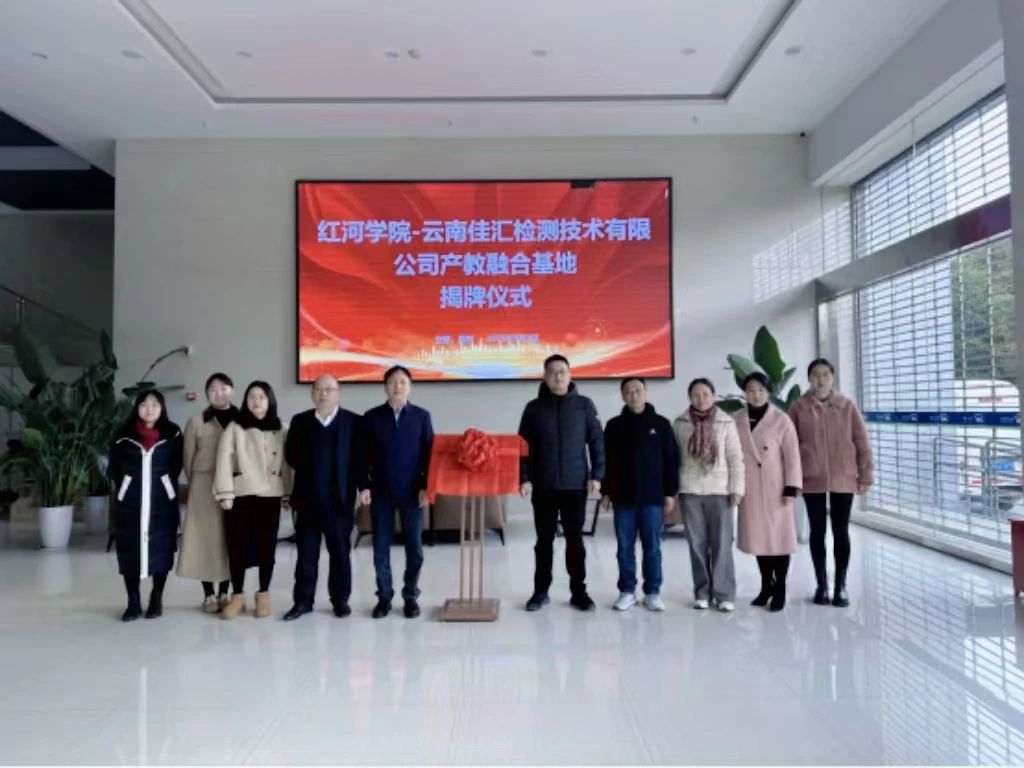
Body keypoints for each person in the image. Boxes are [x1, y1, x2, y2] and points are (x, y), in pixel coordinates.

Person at [518, 354, 605, 612]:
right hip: (543, 485)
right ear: (544, 377)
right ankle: (540, 592)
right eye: (552, 372)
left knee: (574, 541)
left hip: (575, 485)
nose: (558, 376)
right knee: (543, 541)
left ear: (570, 375)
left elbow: (597, 441)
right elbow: (522, 448)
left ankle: (579, 592)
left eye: (562, 371)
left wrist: (597, 475)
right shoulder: (533, 408)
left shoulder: (584, 406)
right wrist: (524, 478)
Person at [788, 358, 874, 607]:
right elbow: (789, 445)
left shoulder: (847, 406)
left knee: (840, 531)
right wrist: (792, 479)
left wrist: (866, 474)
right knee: (817, 532)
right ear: (809, 378)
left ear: (832, 377)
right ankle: (822, 585)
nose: (821, 379)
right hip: (811, 477)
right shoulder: (799, 407)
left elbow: (862, 441)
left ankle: (841, 586)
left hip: (843, 475)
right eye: (816, 374)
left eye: (825, 374)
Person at [282, 374, 367, 621]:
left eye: (329, 389)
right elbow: (291, 456)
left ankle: (340, 600)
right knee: (306, 555)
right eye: (319, 389)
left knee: (340, 553)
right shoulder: (300, 421)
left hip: (340, 501)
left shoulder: (353, 422)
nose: (324, 393)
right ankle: (303, 601)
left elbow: (360, 460)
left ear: (339, 393)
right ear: (312, 394)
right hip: (307, 501)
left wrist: (364, 487)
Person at [213, 381, 290, 619]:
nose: (256, 401)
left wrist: (287, 492)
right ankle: (237, 596)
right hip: (241, 494)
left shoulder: (281, 428)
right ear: (246, 401)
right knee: (237, 545)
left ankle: (263, 594)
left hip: (271, 493)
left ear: (270, 400)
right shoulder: (236, 427)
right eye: (251, 397)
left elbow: (287, 463)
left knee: (267, 546)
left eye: (262, 397)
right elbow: (224, 460)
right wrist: (225, 492)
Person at [602, 377, 679, 612]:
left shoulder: (661, 424)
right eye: (628, 391)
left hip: (652, 497)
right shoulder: (614, 425)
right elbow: (606, 461)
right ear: (623, 396)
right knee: (624, 548)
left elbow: (671, 461)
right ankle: (627, 591)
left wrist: (670, 493)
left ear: (646, 392)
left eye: (638, 390)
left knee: (652, 547)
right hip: (623, 497)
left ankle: (652, 592)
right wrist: (606, 491)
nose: (633, 395)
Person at [363, 365, 434, 619]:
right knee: (380, 550)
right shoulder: (371, 417)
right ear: (385, 387)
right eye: (393, 382)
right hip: (381, 493)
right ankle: (384, 597)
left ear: (410, 387)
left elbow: (429, 456)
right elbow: (362, 457)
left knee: (415, 549)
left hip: (412, 493)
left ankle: (410, 596)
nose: (397, 386)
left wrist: (427, 487)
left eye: (403, 382)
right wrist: (363, 485)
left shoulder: (421, 417)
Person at [109, 389, 184, 622]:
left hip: (162, 502)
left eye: (155, 404)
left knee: (161, 549)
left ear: (162, 408)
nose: (149, 409)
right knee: (129, 551)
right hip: (130, 503)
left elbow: (177, 464)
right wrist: (126, 485)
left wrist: (165, 484)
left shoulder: (173, 434)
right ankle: (133, 601)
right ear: (137, 408)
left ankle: (156, 597)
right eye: (144, 404)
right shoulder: (123, 435)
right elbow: (114, 466)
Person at [673, 378, 744, 612]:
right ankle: (702, 592)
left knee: (722, 545)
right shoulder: (681, 423)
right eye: (696, 394)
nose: (701, 398)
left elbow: (736, 458)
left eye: (705, 394)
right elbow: (673, 459)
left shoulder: (726, 422)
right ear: (690, 398)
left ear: (713, 396)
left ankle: (724, 594)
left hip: (720, 492)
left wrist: (736, 489)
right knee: (697, 545)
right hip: (690, 491)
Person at [734, 373, 803, 612]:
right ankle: (766, 586)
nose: (756, 395)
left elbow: (792, 456)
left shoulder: (781, 419)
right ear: (745, 393)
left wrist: (791, 487)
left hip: (776, 487)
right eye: (751, 390)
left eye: (761, 390)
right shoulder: (737, 420)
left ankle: (780, 586)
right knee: (759, 539)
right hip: (750, 487)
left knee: (779, 539)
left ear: (768, 392)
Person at [176, 372, 236, 613]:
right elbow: (188, 459)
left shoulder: (242, 419)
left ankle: (225, 592)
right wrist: (196, 486)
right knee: (204, 539)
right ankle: (209, 594)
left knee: (230, 539)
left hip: (235, 486)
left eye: (223, 388)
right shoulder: (197, 422)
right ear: (206, 394)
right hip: (203, 486)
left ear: (231, 390)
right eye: (212, 389)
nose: (218, 393)